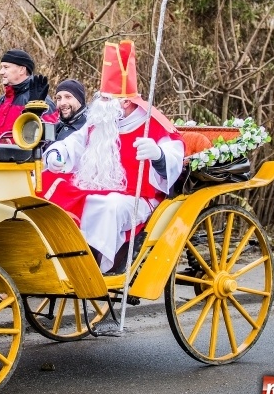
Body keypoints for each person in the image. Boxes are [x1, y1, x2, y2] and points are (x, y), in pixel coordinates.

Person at [40, 40, 184, 273]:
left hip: (137, 196)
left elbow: (175, 157)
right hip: (96, 186)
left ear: (125, 102)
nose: (100, 104)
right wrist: (57, 153)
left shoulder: (152, 124)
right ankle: (57, 255)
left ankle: (95, 266)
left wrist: (157, 155)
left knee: (109, 207)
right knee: (45, 184)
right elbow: (73, 144)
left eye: (106, 99)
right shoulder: (101, 122)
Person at [0, 49, 59, 140]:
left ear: (21, 70)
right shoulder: (1, 101)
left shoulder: (42, 101)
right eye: (1, 67)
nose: (1, 72)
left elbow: (49, 139)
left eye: (6, 67)